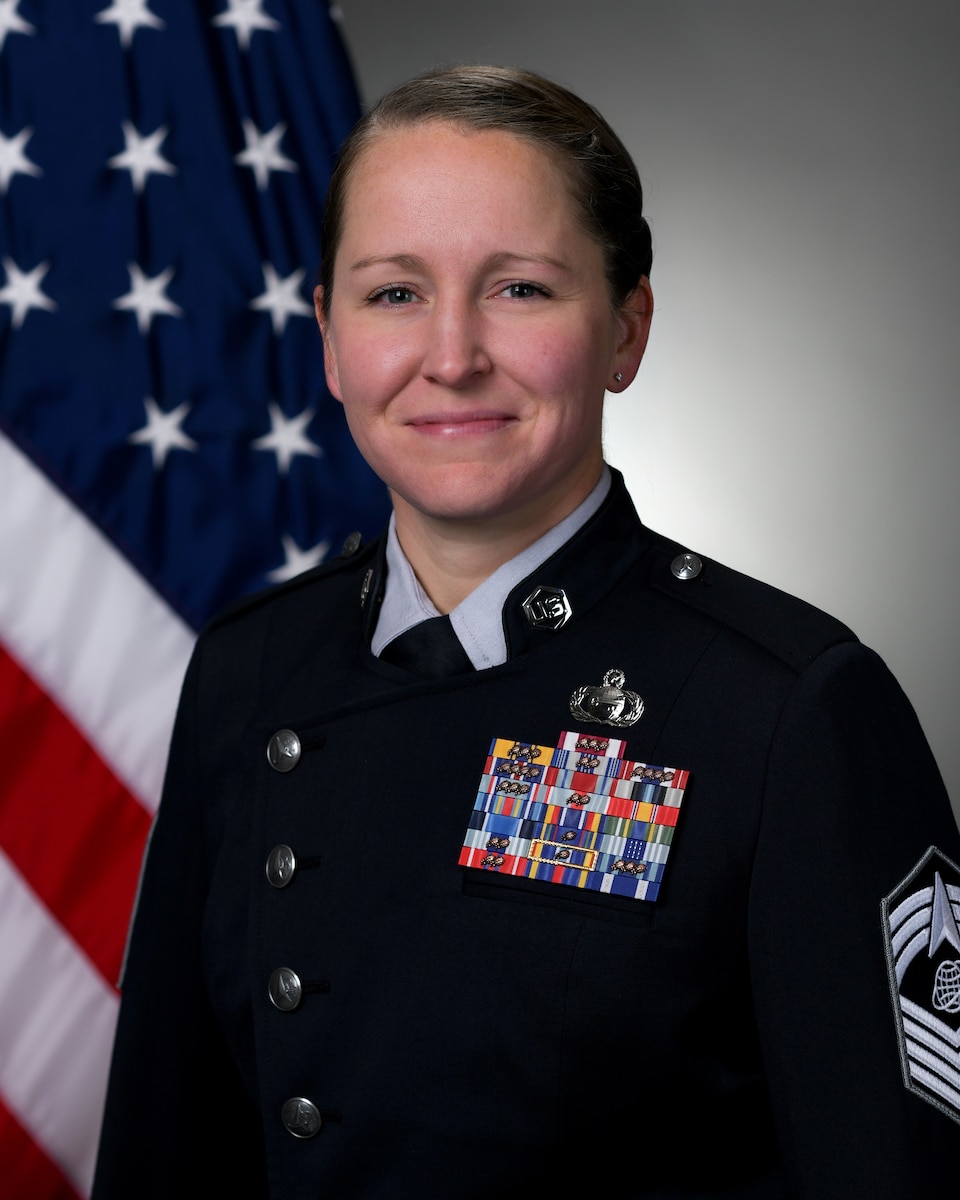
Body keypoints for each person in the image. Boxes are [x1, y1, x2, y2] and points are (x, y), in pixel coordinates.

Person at [92, 65, 960, 1198]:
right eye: (394, 293)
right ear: (330, 341)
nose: (451, 355)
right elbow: (170, 1148)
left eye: (521, 290)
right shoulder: (250, 670)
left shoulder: (789, 706)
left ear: (626, 332)